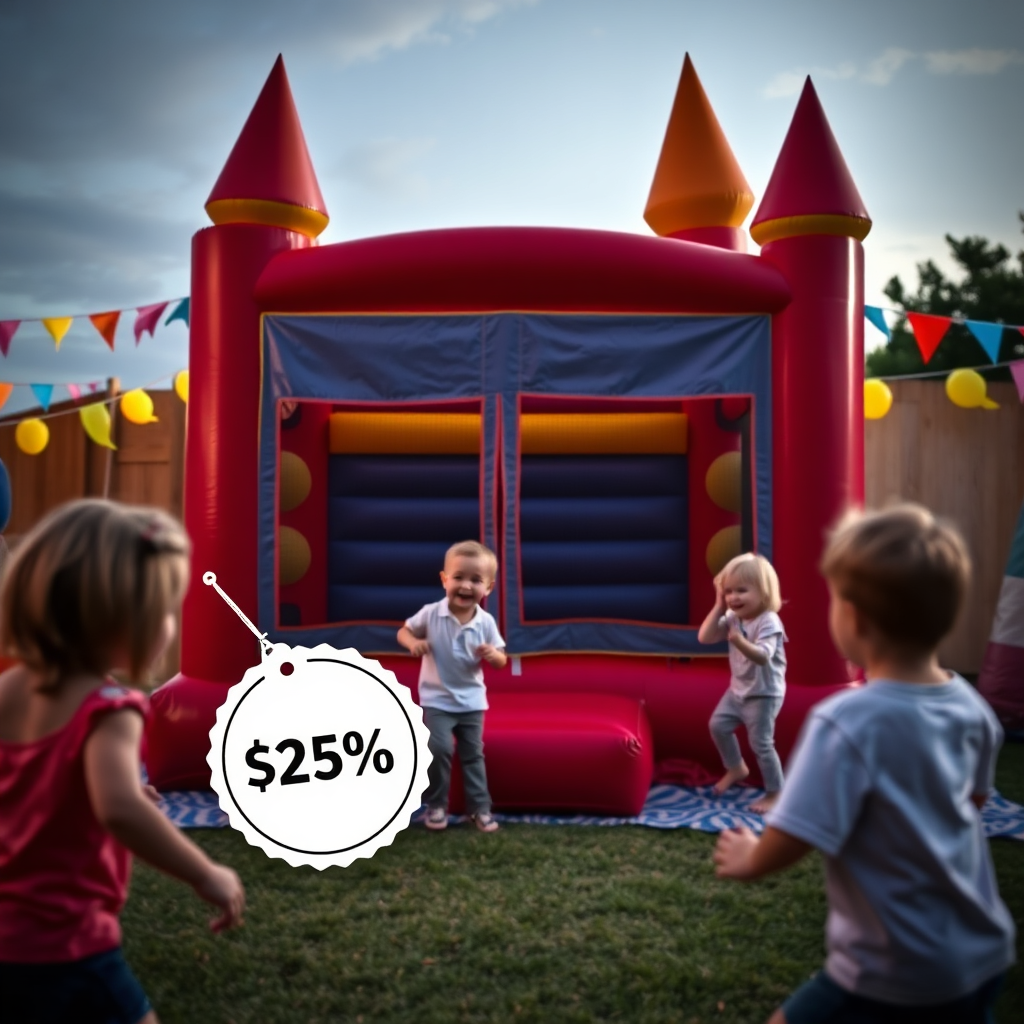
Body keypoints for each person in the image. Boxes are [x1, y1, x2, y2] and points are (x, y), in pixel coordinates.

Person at [714, 504, 1015, 1024]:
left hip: (892, 967)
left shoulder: (845, 721)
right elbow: (976, 801)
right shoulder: (974, 709)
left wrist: (752, 858)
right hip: (983, 949)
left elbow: (800, 829)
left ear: (853, 618)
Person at [0, 499, 245, 1024]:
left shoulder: (7, 691)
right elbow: (118, 809)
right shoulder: (111, 709)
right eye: (162, 609)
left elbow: (37, 781)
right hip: (67, 943)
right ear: (119, 619)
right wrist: (205, 873)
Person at [397, 539, 507, 833]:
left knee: (473, 755)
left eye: (476, 580)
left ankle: (480, 809)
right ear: (445, 580)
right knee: (439, 748)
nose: (466, 586)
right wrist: (414, 643)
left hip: (471, 702)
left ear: (489, 588)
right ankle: (436, 805)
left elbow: (501, 660)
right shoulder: (432, 614)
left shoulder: (485, 622)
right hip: (438, 700)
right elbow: (404, 631)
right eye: (458, 577)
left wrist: (492, 654)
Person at [698, 552, 787, 815]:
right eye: (728, 591)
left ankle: (776, 794)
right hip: (738, 690)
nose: (733, 597)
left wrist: (738, 641)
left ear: (764, 592)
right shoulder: (733, 617)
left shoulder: (769, 620)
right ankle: (736, 767)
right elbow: (705, 637)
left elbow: (762, 656)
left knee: (761, 744)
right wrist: (717, 605)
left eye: (741, 590)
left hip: (763, 694)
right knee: (718, 725)